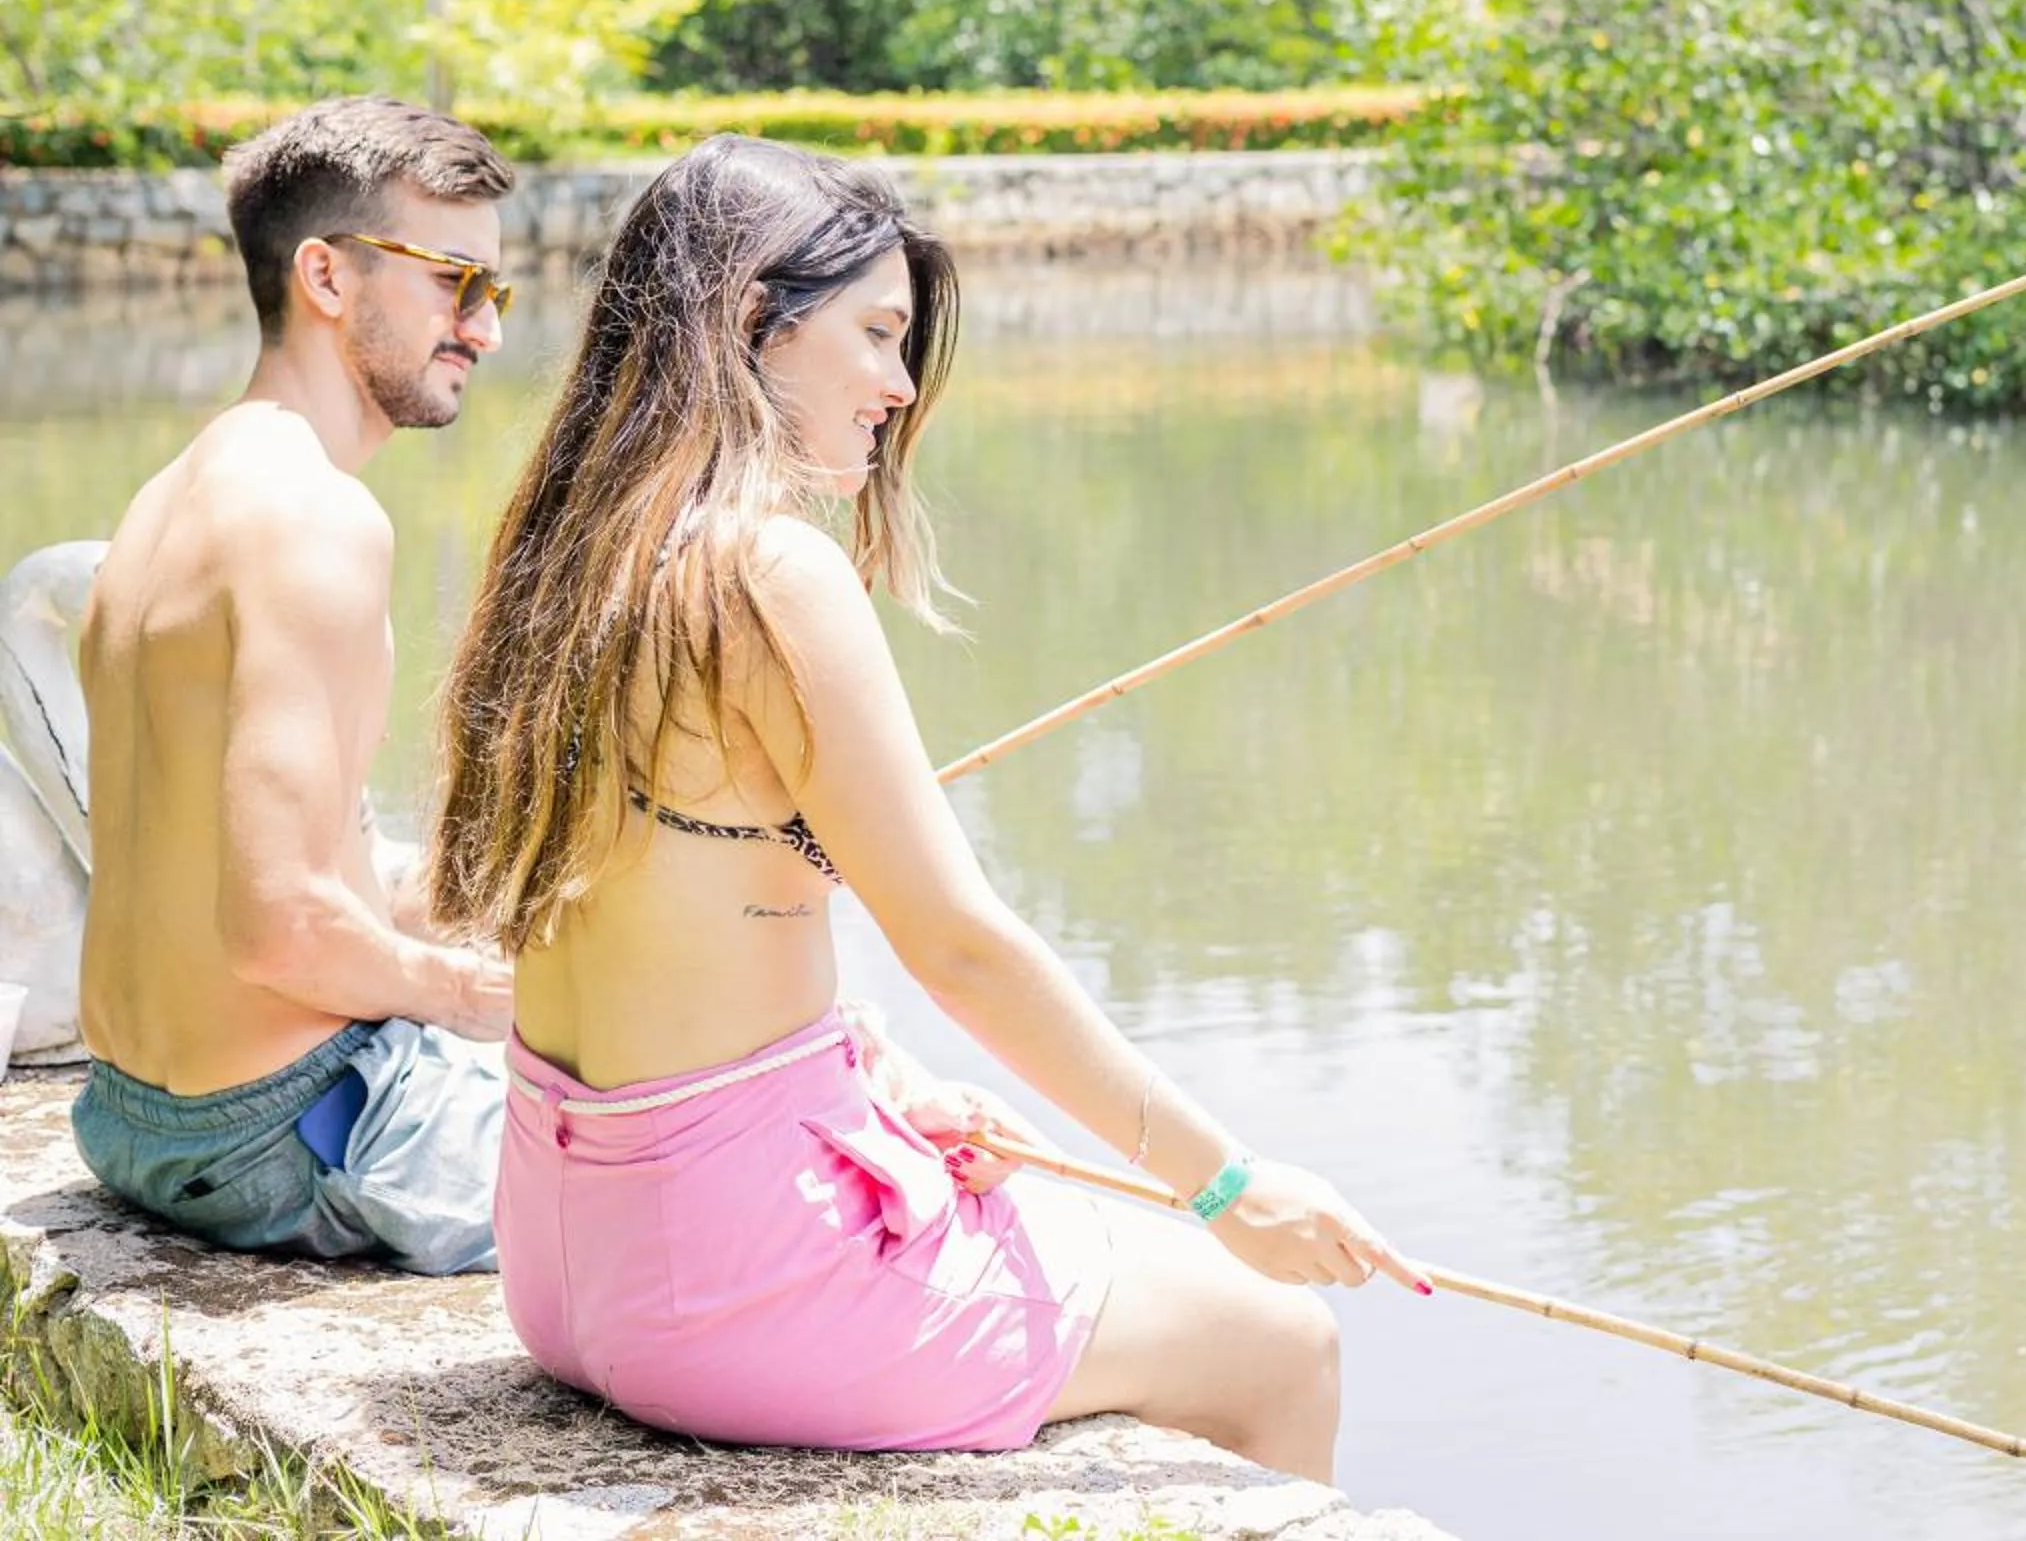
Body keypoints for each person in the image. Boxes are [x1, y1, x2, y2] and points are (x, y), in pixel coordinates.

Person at [428, 135, 1420, 1479]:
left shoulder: (569, 554)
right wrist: (1232, 1186)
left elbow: (664, 922)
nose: (901, 385)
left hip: (565, 1264)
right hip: (732, 1296)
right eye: (878, 333)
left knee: (1048, 1210)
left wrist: (874, 1084)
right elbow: (958, 941)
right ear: (746, 319)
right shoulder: (768, 569)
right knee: (1280, 1345)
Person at [70, 96, 519, 1275]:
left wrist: (524, 901)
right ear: (325, 274)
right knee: (722, 1147)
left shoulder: (173, 496)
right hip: (291, 1127)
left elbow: (275, 858)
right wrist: (477, 993)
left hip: (130, 1114)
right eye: (454, 282)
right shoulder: (317, 518)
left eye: (493, 293)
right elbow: (279, 925)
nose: (484, 327)